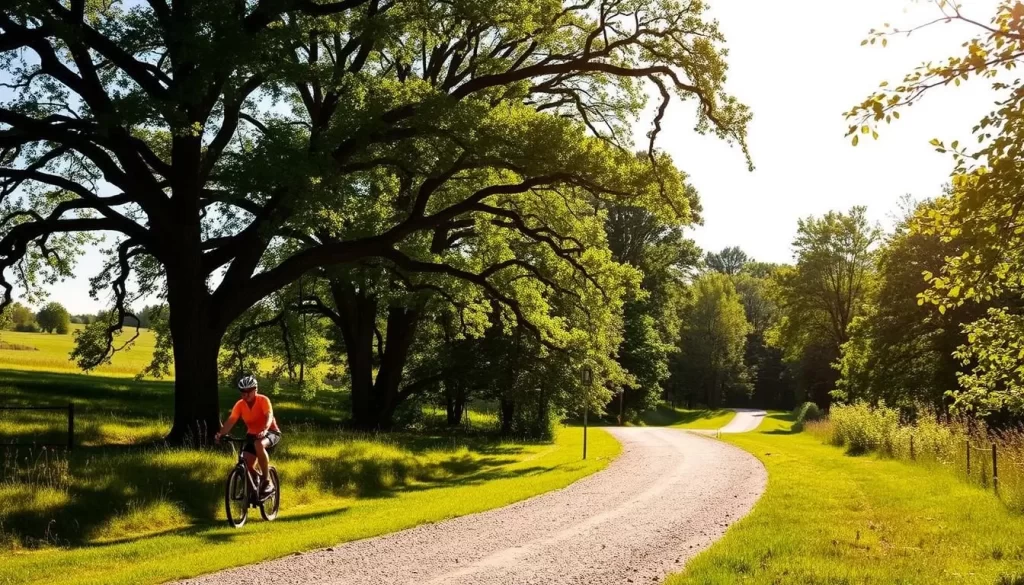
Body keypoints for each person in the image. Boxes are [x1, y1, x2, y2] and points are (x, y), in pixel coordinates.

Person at [215, 375, 281, 496]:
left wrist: (265, 429)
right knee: (246, 463)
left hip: (270, 432)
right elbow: (231, 420)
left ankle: (267, 482)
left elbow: (269, 416)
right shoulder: (240, 404)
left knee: (259, 444)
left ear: (255, 390)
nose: (245, 395)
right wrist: (221, 434)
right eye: (242, 392)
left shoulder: (263, 400)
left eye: (248, 392)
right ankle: (255, 481)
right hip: (252, 435)